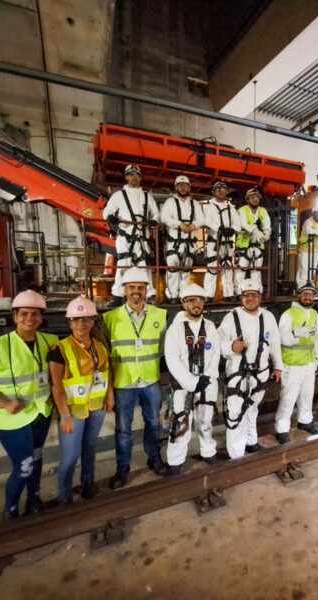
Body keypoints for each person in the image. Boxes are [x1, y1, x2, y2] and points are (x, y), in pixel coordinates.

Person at [0, 290, 57, 519]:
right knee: (24, 466)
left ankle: (34, 499)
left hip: (40, 413)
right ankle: (10, 511)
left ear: (41, 317)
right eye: (24, 314)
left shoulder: (50, 341)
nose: (30, 318)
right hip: (12, 419)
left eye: (35, 314)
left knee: (37, 459)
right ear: (15, 316)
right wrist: (5, 402)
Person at [103, 267, 168, 488]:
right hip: (124, 383)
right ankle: (122, 470)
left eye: (140, 287)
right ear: (124, 290)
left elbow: (161, 349)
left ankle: (155, 459)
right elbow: (106, 357)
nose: (136, 292)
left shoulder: (160, 315)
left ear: (147, 290)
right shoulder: (110, 318)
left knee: (153, 423)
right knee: (123, 429)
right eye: (132, 287)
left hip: (150, 380)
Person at [48, 295, 113, 504]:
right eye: (76, 319)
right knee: (70, 456)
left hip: (96, 407)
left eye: (85, 319)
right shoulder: (60, 349)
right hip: (73, 412)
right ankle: (64, 495)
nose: (81, 324)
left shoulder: (100, 347)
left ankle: (87, 484)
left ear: (93, 321)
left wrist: (109, 395)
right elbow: (56, 386)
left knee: (90, 447)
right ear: (69, 322)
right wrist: (64, 415)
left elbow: (106, 373)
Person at [218, 278, 282, 459]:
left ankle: (251, 441)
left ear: (260, 297)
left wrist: (278, 367)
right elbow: (216, 343)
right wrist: (231, 346)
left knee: (252, 409)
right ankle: (236, 455)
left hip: (260, 374)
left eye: (253, 295)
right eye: (246, 295)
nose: (250, 298)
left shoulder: (268, 317)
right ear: (241, 298)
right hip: (238, 375)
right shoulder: (231, 317)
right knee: (235, 413)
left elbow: (274, 344)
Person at [165, 283, 221, 474]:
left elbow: (215, 354)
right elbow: (172, 360)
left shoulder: (210, 326)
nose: (196, 304)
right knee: (181, 424)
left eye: (199, 300)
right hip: (183, 386)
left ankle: (208, 451)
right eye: (191, 301)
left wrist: (208, 377)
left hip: (207, 383)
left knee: (205, 421)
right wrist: (191, 382)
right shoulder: (175, 329)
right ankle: (175, 461)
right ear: (183, 304)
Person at [102, 164, 160, 304]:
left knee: (144, 265)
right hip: (125, 236)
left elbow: (156, 214)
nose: (134, 177)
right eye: (131, 174)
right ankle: (117, 295)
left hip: (142, 236)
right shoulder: (118, 196)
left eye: (136, 175)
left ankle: (149, 294)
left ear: (140, 178)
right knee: (123, 263)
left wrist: (153, 221)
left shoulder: (147, 196)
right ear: (126, 177)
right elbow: (107, 212)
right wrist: (111, 217)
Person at [275, 281, 318, 444]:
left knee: (307, 395)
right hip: (292, 364)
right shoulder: (289, 314)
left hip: (309, 363)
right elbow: (280, 339)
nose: (308, 297)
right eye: (305, 294)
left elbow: (316, 339)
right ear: (299, 295)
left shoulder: (315, 315)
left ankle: (305, 421)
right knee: (289, 398)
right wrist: (296, 333)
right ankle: (282, 429)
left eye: (311, 294)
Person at [161, 175, 205, 302]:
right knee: (173, 267)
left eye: (185, 185)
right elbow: (164, 217)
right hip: (174, 241)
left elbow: (201, 219)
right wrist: (179, 224)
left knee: (186, 269)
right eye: (180, 185)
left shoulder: (195, 203)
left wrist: (193, 225)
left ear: (189, 187)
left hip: (189, 242)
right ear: (176, 187)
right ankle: (172, 296)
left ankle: (184, 295)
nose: (183, 188)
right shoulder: (170, 202)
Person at [203, 181, 241, 301]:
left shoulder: (231, 208)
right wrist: (219, 228)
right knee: (212, 268)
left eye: (223, 189)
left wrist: (232, 230)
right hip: (214, 242)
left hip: (228, 243)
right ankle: (208, 295)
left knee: (228, 268)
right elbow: (207, 220)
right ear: (214, 192)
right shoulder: (209, 206)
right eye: (218, 189)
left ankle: (228, 294)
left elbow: (238, 224)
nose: (221, 191)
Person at [235, 188, 271, 292]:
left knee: (256, 271)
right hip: (243, 245)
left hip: (258, 245)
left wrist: (267, 234)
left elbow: (267, 225)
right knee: (240, 271)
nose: (255, 199)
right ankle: (238, 292)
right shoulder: (242, 210)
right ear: (248, 199)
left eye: (257, 197)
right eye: (252, 197)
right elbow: (243, 224)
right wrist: (254, 230)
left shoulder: (263, 211)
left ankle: (257, 291)